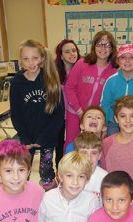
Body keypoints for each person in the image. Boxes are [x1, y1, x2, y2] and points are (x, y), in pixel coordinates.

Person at [10, 39, 64, 190]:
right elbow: (16, 113)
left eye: (34, 58)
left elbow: (58, 115)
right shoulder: (16, 82)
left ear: (41, 58)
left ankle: (48, 199)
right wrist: (25, 137)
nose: (30, 62)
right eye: (26, 58)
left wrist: (45, 137)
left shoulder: (51, 80)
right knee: (21, 170)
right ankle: (22, 198)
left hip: (47, 136)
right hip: (26, 136)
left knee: (46, 172)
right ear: (21, 60)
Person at [64, 31, 118, 147]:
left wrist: (104, 120)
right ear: (94, 46)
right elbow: (69, 87)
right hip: (75, 112)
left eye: (107, 45)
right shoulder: (82, 63)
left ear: (112, 49)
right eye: (99, 44)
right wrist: (79, 111)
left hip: (96, 117)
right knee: (72, 144)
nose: (103, 48)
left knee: (93, 145)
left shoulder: (115, 70)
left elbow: (113, 99)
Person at [54, 39, 81, 168]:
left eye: (74, 50)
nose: (72, 54)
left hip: (75, 114)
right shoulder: (55, 74)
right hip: (59, 115)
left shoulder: (82, 69)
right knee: (59, 144)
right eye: (67, 52)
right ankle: (60, 170)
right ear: (61, 55)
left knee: (73, 143)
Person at [74, 131, 108, 201]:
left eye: (94, 153)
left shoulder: (105, 178)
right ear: (76, 154)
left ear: (99, 155)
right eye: (84, 153)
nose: (89, 158)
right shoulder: (70, 174)